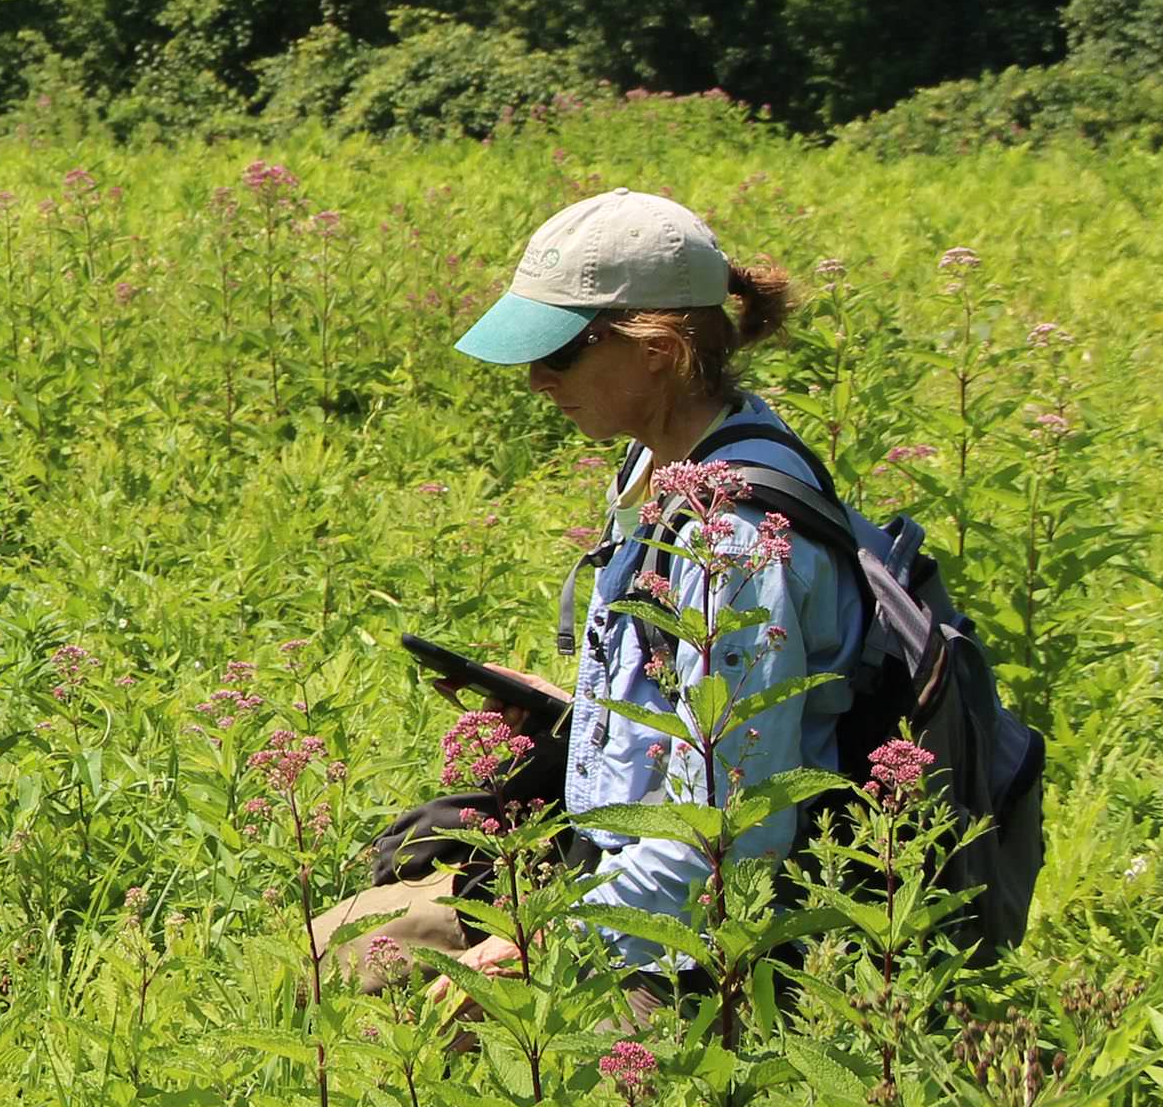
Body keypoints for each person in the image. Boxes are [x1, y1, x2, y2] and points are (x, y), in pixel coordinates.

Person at [317, 188, 855, 996]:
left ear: (658, 349)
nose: (536, 378)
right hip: (604, 861)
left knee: (412, 1037)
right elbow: (681, 705)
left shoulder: (732, 535)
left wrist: (540, 948)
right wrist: (570, 713)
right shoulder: (657, 464)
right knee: (332, 951)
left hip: (695, 937)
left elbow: (732, 825)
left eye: (561, 352)